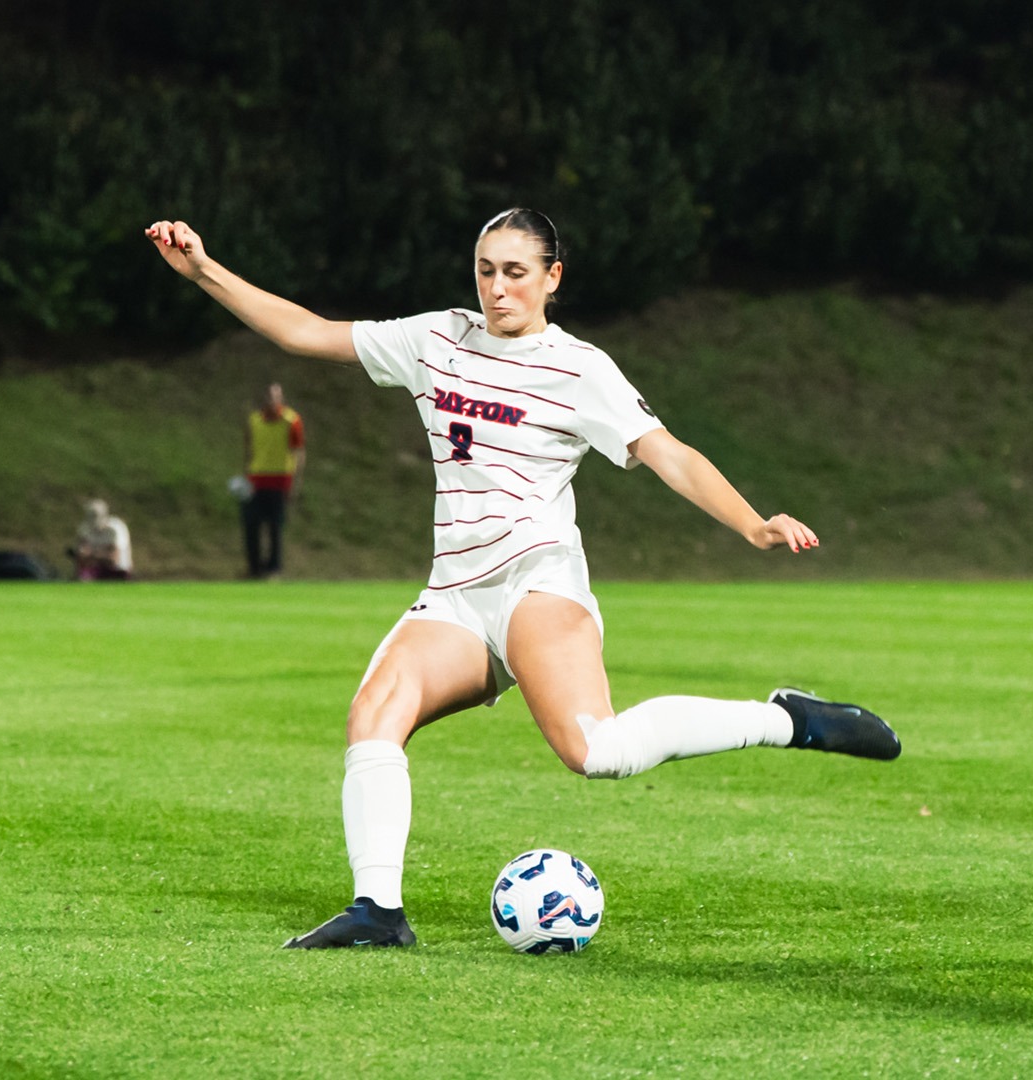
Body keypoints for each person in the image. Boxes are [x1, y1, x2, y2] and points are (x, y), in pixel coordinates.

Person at [145, 208, 902, 950]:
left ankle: (785, 718)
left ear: (552, 278)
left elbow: (666, 451)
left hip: (538, 580)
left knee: (597, 752)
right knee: (374, 713)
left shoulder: (580, 368)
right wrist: (205, 270)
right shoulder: (436, 338)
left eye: (515, 273)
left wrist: (752, 523)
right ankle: (377, 910)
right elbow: (305, 332)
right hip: (455, 592)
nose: (497, 289)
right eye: (485, 271)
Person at [241, 382, 304, 578]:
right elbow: (249, 449)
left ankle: (273, 568)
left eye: (276, 397)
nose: (272, 401)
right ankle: (254, 568)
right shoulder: (254, 421)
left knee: (275, 527)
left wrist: (296, 481)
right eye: (269, 396)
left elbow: (298, 452)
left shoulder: (291, 420)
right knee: (251, 525)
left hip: (280, 479)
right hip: (256, 479)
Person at [72, 498, 133, 580]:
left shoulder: (116, 529)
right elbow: (81, 559)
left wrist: (92, 555)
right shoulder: (84, 529)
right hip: (97, 569)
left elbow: (113, 560)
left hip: (118, 571)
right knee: (84, 577)